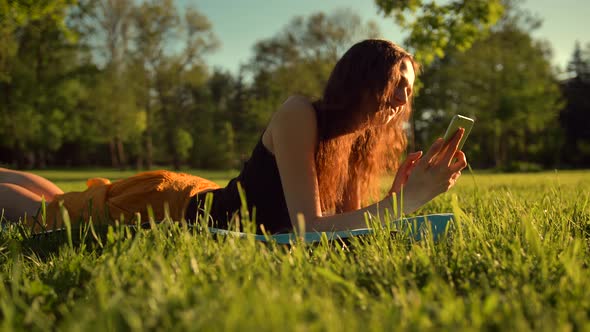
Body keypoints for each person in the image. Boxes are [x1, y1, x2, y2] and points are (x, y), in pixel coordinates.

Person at [0, 39, 467, 235]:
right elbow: (308, 228)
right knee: (47, 216)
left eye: (407, 95)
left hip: (199, 192)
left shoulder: (355, 145)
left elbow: (336, 228)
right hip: (163, 206)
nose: (400, 104)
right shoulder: (299, 114)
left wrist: (401, 195)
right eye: (394, 89)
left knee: (61, 199)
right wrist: (402, 207)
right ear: (361, 82)